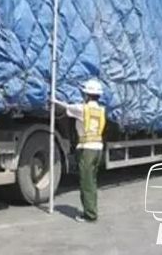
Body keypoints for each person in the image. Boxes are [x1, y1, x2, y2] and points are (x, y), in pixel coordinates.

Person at [53, 79, 106, 223]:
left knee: (86, 183)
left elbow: (66, 107)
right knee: (92, 182)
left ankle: (90, 215)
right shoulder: (100, 110)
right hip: (98, 148)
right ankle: (91, 210)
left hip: (87, 149)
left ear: (87, 95)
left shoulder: (83, 109)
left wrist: (53, 100)